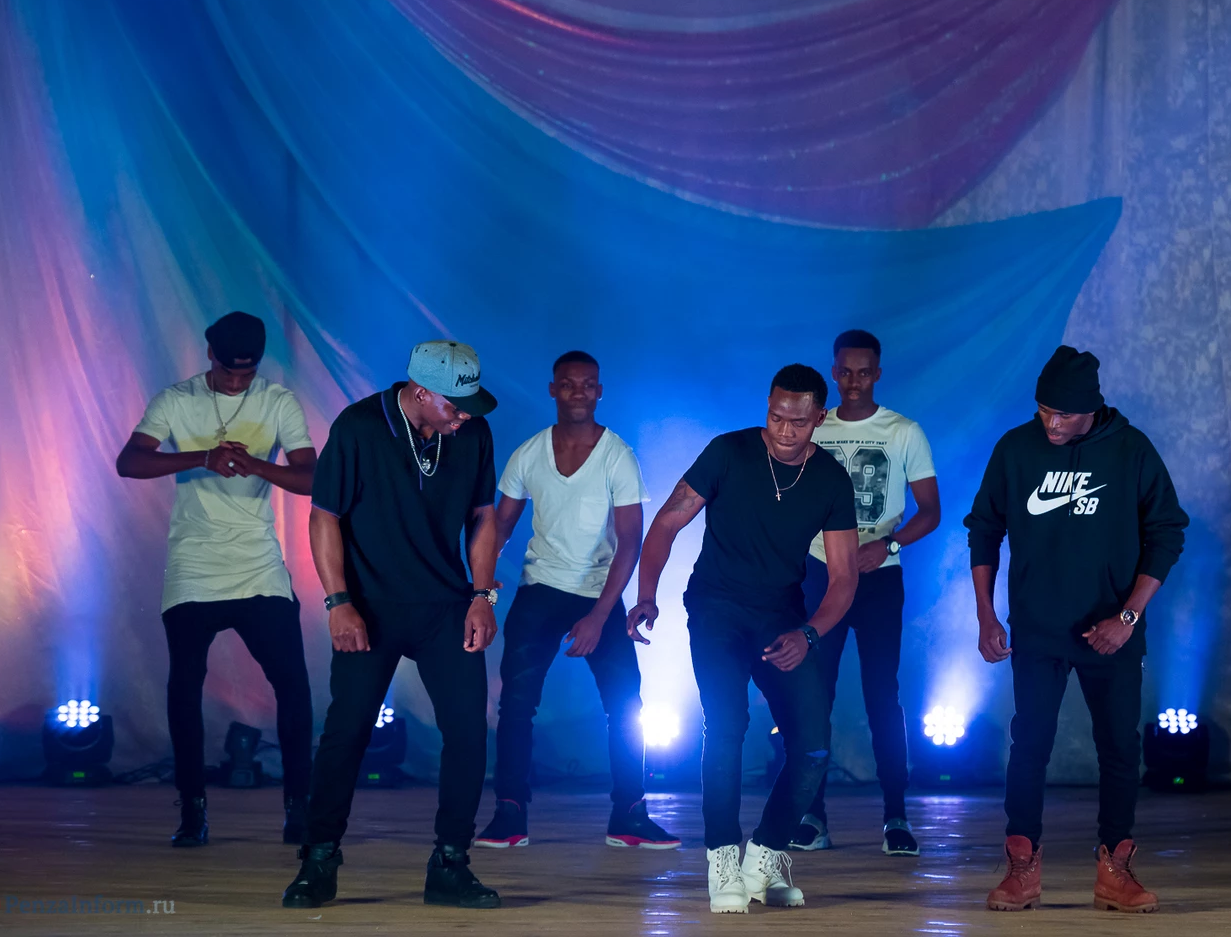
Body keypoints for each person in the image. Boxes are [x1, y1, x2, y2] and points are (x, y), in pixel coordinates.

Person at [281, 341, 504, 911]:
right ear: (421, 392)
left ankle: (450, 864)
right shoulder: (358, 427)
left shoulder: (472, 433)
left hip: (444, 605)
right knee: (347, 731)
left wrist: (482, 595)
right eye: (455, 405)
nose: (465, 416)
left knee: (469, 731)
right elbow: (324, 516)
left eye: (470, 405)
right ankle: (318, 860)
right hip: (370, 606)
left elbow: (483, 516)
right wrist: (338, 602)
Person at [965, 346, 1188, 914]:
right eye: (1044, 410)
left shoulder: (1131, 451)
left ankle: (1116, 871)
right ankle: (1021, 870)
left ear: (1091, 408)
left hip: (1111, 631)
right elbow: (984, 529)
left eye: (1063, 414)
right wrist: (986, 613)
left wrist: (1128, 616)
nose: (1051, 423)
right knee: (1029, 744)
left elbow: (1167, 533)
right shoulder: (1016, 448)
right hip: (1038, 629)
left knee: (1119, 747)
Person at [630, 365, 859, 914]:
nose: (784, 431)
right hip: (717, 609)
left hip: (781, 617)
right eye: (776, 417)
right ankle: (722, 860)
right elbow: (666, 523)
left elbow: (845, 577)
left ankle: (766, 855)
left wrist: (809, 633)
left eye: (798, 422)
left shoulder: (830, 479)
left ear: (819, 418)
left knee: (813, 744)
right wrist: (646, 595)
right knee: (727, 723)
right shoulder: (728, 453)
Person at [116, 311, 316, 849]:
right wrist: (204, 457)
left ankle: (299, 806)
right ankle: (192, 809)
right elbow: (129, 462)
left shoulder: (277, 401)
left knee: (292, 685)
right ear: (210, 355)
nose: (236, 382)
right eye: (228, 372)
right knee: (184, 685)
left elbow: (311, 476)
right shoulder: (176, 399)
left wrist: (257, 466)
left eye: (246, 374)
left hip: (258, 563)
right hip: (194, 563)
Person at [473, 351, 678, 850]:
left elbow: (630, 541)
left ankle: (629, 815)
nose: (579, 392)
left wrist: (599, 616)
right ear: (553, 390)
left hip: (598, 594)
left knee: (625, 705)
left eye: (588, 384)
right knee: (516, 703)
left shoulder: (617, 456)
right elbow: (499, 526)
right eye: (568, 384)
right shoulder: (529, 453)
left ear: (600, 391)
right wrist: (481, 585)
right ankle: (509, 813)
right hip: (540, 589)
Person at [791, 330, 940, 856]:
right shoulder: (814, 426)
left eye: (864, 372)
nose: (854, 381)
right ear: (834, 373)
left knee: (882, 696)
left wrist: (889, 544)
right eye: (845, 372)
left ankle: (896, 816)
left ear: (877, 373)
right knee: (815, 695)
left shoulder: (903, 431)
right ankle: (812, 815)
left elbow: (931, 511)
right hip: (819, 574)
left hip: (878, 578)